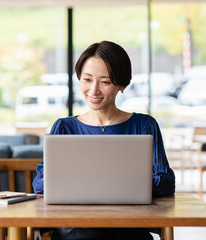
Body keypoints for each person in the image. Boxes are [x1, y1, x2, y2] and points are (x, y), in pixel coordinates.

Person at [32, 41, 175, 240]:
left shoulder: (145, 125)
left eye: (105, 82)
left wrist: (97, 185)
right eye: (87, 79)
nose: (94, 90)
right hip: (75, 229)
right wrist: (121, 186)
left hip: (130, 227)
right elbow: (40, 183)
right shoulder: (64, 128)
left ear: (122, 85)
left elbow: (166, 181)